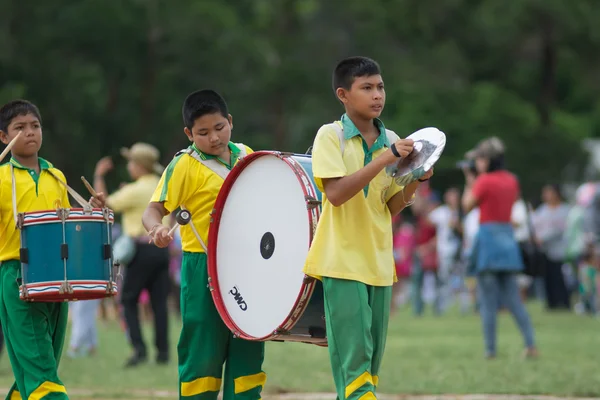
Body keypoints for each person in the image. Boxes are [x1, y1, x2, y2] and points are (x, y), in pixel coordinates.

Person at [303, 56, 433, 400]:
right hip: (340, 261)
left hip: (378, 262)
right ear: (343, 95)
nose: (377, 95)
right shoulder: (330, 136)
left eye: (380, 87)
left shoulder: (390, 138)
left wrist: (416, 180)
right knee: (354, 362)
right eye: (367, 88)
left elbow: (389, 206)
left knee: (370, 364)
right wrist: (385, 159)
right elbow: (336, 194)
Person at [142, 89, 266, 400]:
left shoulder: (248, 155)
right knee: (203, 351)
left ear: (231, 122)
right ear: (188, 133)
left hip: (248, 265)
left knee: (248, 348)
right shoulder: (184, 165)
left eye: (220, 128)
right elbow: (153, 209)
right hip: (203, 268)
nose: (214, 138)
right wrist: (156, 229)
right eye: (203, 132)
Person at [0, 99, 105, 399]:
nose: (30, 132)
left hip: (59, 279)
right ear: (4, 138)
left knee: (36, 370)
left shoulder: (55, 176)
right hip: (17, 277)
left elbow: (65, 227)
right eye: (19, 128)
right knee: (41, 372)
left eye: (35, 126)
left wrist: (89, 210)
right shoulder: (1, 179)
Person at [94, 142, 171, 367]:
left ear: (138, 166)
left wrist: (99, 176)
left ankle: (139, 350)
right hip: (162, 250)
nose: (129, 166)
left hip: (140, 251)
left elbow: (106, 205)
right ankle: (163, 353)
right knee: (159, 305)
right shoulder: (161, 185)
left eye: (131, 162)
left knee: (128, 300)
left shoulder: (134, 190)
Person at [462, 137, 538, 359]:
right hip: (507, 240)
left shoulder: (484, 181)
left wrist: (470, 182)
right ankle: (530, 343)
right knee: (514, 299)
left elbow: (467, 206)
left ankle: (490, 350)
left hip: (488, 241)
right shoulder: (512, 180)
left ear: (487, 160)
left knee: (488, 301)